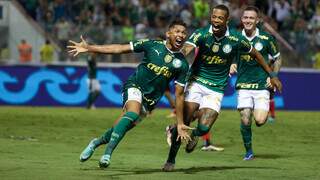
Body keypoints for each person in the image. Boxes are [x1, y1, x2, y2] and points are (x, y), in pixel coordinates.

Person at [163, 4, 282, 171]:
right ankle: (171, 160)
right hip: (196, 82)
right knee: (186, 121)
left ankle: (194, 135)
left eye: (220, 18)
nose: (216, 20)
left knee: (204, 126)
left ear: (227, 20)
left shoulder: (235, 38)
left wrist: (273, 75)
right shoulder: (201, 34)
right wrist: (176, 58)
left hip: (216, 88)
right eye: (214, 17)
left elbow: (256, 54)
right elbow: (186, 49)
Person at [67, 19, 192, 168]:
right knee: (132, 113)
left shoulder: (182, 64)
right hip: (134, 86)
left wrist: (180, 123)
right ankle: (107, 154)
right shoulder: (152, 45)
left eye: (184, 33)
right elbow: (119, 48)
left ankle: (96, 142)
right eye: (177, 31)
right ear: (168, 33)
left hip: (150, 101)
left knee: (120, 127)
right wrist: (89, 48)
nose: (181, 35)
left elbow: (179, 95)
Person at [229, 6, 282, 160]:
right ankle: (249, 151)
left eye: (251, 18)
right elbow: (228, 54)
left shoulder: (266, 38)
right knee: (245, 117)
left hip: (262, 86)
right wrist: (231, 64)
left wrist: (273, 75)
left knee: (259, 120)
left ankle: (259, 118)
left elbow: (277, 57)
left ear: (257, 20)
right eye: (245, 18)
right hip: (243, 84)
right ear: (241, 19)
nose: (248, 20)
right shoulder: (235, 38)